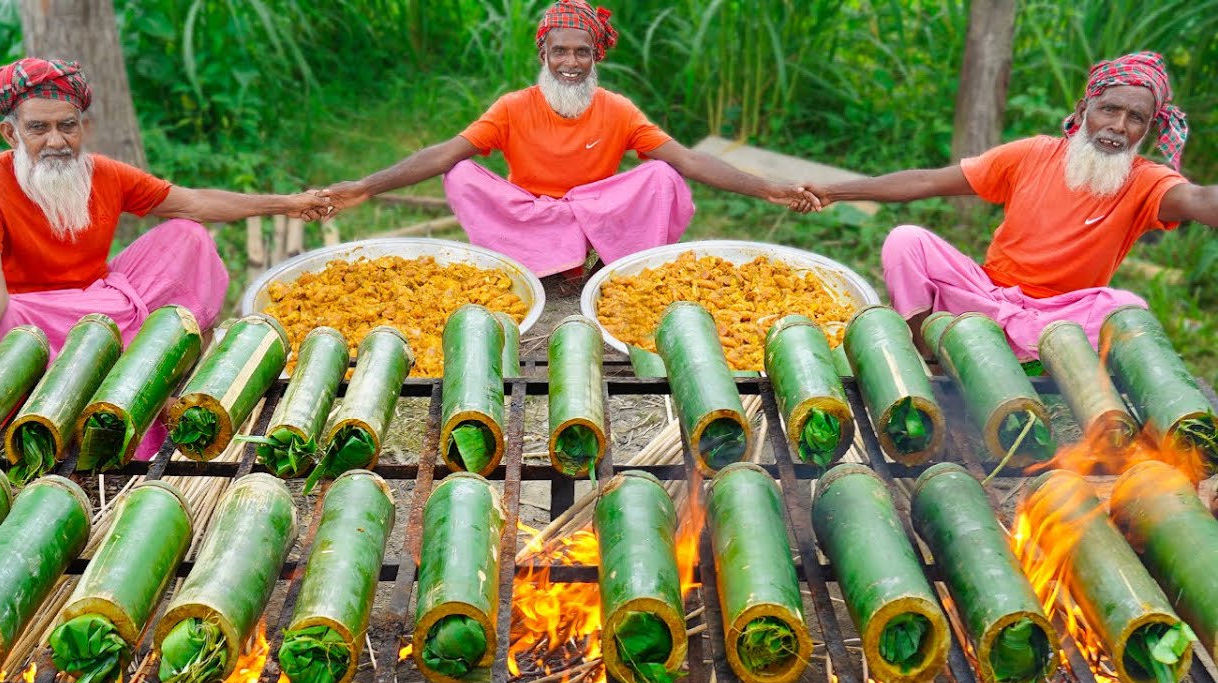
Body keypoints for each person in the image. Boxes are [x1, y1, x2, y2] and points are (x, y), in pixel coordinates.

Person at [320, 0, 814, 278]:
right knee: (462, 173)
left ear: (596, 57)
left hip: (593, 212)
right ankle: (543, 257)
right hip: (531, 216)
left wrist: (769, 188)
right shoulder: (514, 106)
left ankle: (618, 262)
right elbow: (444, 153)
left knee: (663, 174)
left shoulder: (617, 109)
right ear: (545, 54)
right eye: (561, 52)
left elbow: (688, 160)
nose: (571, 64)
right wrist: (364, 187)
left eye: (582, 53)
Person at [798, 51, 1217, 360]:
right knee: (907, 240)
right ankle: (929, 357)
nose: (1118, 127)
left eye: (1135, 118)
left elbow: (1199, 200)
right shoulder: (1031, 154)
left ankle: (1023, 354)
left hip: (1057, 321)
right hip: (986, 297)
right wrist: (836, 191)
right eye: (1109, 109)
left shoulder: (1145, 181)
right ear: (1083, 108)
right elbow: (926, 180)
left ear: (1148, 127)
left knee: (1125, 308)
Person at [0, 57, 331, 376]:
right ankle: (108, 357)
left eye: (67, 126)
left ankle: (174, 358)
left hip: (102, 301)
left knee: (188, 234)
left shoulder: (105, 173)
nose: (56, 141)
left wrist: (287, 203)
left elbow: (196, 203)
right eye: (38, 128)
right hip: (36, 316)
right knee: (6, 318)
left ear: (82, 127)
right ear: (11, 134)